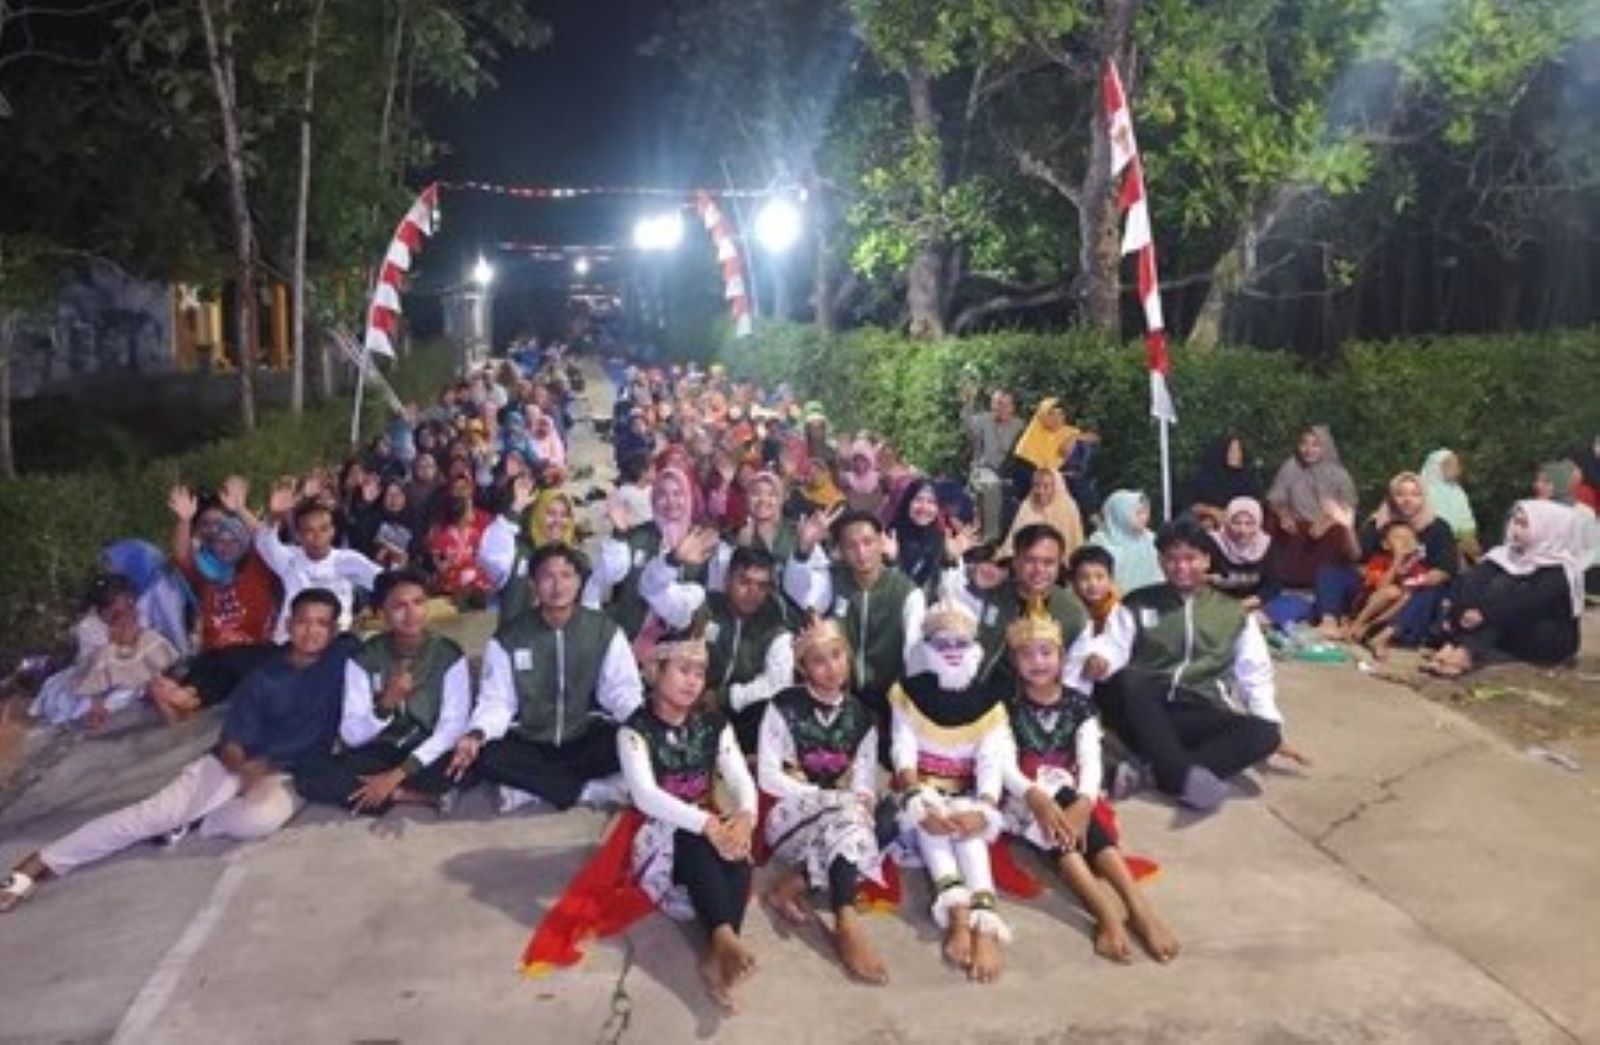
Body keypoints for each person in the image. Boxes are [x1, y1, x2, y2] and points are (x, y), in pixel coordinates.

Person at [1, 590, 356, 913]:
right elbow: (232, 743)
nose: (311, 631)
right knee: (152, 815)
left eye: (321, 623)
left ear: (334, 629)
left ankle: (195, 820)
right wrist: (246, 770)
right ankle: (36, 865)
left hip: (289, 772)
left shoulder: (343, 655)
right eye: (303, 621)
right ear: (289, 625)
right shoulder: (263, 675)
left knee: (258, 820)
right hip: (237, 763)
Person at [998, 603, 1179, 964]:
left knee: (1077, 814)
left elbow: (1090, 760)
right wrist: (1037, 798)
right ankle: (1106, 915)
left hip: (1068, 791)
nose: (1038, 662)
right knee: (1058, 828)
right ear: (1014, 662)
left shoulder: (1079, 706)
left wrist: (1084, 802)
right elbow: (1002, 764)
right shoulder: (1006, 708)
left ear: (1062, 657)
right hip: (1023, 797)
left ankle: (1139, 909)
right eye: (1027, 654)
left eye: (1046, 652)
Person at [1097, 518, 1300, 812]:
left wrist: (1266, 719)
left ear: (1206, 560)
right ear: (1160, 561)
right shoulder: (1137, 603)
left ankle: (1152, 771)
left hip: (1198, 708)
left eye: (1190, 558)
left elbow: (1254, 675)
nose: (1181, 567)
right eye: (1171, 559)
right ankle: (1180, 777)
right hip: (1144, 708)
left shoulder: (1233, 614)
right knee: (1128, 679)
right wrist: (1100, 660)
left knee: (1267, 732)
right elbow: (1112, 648)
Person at [617, 629, 760, 1013]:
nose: (692, 681)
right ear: (655, 671)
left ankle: (722, 945)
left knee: (738, 850)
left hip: (703, 818)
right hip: (655, 830)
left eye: (699, 673)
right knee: (699, 839)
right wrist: (708, 825)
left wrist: (745, 817)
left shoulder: (713, 723)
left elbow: (739, 776)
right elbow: (646, 796)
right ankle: (724, 942)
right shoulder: (634, 730)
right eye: (682, 670)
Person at [448, 544, 643, 812]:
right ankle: (585, 791)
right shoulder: (509, 638)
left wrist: (641, 723)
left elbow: (621, 690)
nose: (558, 586)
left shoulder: (604, 631)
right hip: (529, 741)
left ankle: (534, 791)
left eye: (566, 575)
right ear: (533, 584)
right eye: (547, 576)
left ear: (579, 582)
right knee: (487, 756)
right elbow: (497, 701)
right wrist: (476, 733)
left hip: (583, 737)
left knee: (627, 741)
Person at [757, 618, 891, 984]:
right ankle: (845, 921)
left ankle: (798, 882)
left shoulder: (862, 717)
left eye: (837, 655)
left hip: (839, 821)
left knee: (897, 811)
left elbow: (864, 785)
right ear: (803, 668)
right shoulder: (783, 705)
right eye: (819, 660)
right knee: (852, 815)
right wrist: (830, 797)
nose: (832, 668)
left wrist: (860, 801)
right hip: (788, 817)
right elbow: (768, 776)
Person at [888, 599, 1013, 983]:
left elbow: (991, 761)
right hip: (920, 788)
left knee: (969, 833)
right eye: (943, 643)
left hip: (967, 792)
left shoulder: (990, 702)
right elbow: (902, 748)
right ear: (928, 648)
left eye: (961, 643)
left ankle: (985, 924)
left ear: (975, 648)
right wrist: (914, 796)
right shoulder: (908, 692)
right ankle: (958, 914)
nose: (953, 651)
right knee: (931, 819)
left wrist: (984, 809)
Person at [294, 570, 471, 815]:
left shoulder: (449, 654)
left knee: (467, 763)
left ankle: (385, 792)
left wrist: (397, 774)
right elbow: (351, 735)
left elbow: (452, 727)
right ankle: (412, 796)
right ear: (381, 614)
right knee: (310, 775)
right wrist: (386, 705)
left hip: (427, 750)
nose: (411, 613)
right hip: (381, 749)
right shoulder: (365, 657)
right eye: (399, 606)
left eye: (418, 602)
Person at [639, 543, 796, 753]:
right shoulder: (701, 605)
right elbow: (652, 590)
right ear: (727, 579)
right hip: (685, 707)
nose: (752, 592)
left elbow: (778, 684)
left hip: (737, 716)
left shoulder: (775, 626)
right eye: (744, 581)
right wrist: (672, 561)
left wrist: (725, 697)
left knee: (770, 712)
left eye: (761, 586)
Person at [784, 508, 926, 731]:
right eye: (851, 546)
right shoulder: (832, 578)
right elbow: (798, 590)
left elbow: (914, 650)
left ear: (881, 543)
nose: (861, 552)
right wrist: (804, 549)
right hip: (839, 693)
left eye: (868, 542)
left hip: (890, 698)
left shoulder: (907, 593)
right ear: (840, 551)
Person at [1426, 501, 1587, 677]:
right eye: (1515, 522)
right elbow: (1471, 583)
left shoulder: (1561, 570)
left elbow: (1526, 603)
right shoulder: (1505, 555)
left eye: (1524, 525)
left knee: (1503, 590)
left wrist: (1483, 614)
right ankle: (1456, 646)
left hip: (1547, 640)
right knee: (1482, 586)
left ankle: (1464, 652)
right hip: (1508, 629)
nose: (1515, 529)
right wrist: (1464, 609)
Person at [1312, 472, 1459, 648]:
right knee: (1330, 571)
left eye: (1415, 494)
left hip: (1413, 587)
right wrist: (1348, 529)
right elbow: (1358, 557)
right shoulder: (1378, 522)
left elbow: (1445, 569)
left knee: (1428, 592)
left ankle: (1385, 633)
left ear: (1423, 498)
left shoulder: (1438, 527)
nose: (1407, 500)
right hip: (1375, 581)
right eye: (1400, 494)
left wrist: (1415, 580)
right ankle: (1329, 622)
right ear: (1391, 497)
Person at [944, 523, 1095, 689]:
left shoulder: (1075, 614)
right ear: (1015, 561)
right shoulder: (992, 592)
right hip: (981, 690)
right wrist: (961, 564)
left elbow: (1075, 679)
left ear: (1060, 565)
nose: (1039, 570)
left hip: (1042, 698)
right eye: (1030, 560)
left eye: (1048, 563)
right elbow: (949, 591)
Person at [31, 573, 179, 728]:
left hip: (134, 670)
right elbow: (94, 668)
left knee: (149, 641)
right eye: (115, 612)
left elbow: (144, 648)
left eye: (128, 605)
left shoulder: (136, 615)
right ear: (101, 611)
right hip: (97, 680)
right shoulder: (90, 627)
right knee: (107, 654)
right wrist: (96, 702)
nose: (125, 613)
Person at [586, 466, 705, 641]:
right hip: (632, 636)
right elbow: (606, 577)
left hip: (681, 642)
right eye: (662, 494)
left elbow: (702, 599)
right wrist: (619, 535)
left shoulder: (699, 540)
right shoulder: (638, 536)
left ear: (688, 497)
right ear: (653, 499)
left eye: (677, 494)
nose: (671, 501)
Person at [256, 485, 381, 639]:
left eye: (323, 529)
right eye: (309, 531)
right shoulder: (288, 558)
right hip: (290, 642)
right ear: (299, 535)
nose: (317, 536)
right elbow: (264, 541)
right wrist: (274, 516)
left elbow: (385, 582)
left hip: (334, 644)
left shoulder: (350, 560)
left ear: (332, 531)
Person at [1265, 425, 1359, 587]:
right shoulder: (1290, 467)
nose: (1308, 449)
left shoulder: (1339, 474)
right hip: (1296, 530)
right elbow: (1275, 498)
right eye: (1304, 443)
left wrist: (1328, 521)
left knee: (1339, 533)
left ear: (1325, 447)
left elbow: (1349, 509)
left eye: (1315, 445)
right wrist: (1284, 515)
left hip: (1326, 532)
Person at [962, 387, 1025, 542]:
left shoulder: (1020, 425)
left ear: (1013, 407)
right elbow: (967, 422)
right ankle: (990, 538)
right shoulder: (981, 420)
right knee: (991, 485)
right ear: (991, 404)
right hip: (981, 472)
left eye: (1006, 404)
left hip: (1008, 473)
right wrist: (968, 402)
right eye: (997, 403)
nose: (1001, 408)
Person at [1204, 497, 1278, 609]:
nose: (1243, 530)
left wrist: (1246, 604)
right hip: (1217, 604)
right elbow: (1200, 579)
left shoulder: (1266, 544)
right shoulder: (1213, 542)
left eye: (1249, 523)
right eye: (1236, 523)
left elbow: (1273, 585)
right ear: (1227, 522)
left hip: (1254, 604)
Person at [998, 467, 1083, 561]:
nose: (1040, 491)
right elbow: (1013, 541)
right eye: (1036, 486)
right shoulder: (1027, 506)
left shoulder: (1068, 508)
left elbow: (1075, 545)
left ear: (1056, 487)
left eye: (1046, 486)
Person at [1182, 433, 1263, 529]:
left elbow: (1254, 505)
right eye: (1231, 451)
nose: (1235, 455)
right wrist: (1213, 512)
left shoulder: (1250, 477)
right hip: (1208, 520)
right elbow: (1192, 505)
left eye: (1238, 451)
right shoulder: (1206, 476)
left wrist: (1230, 516)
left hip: (1240, 524)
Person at [1089, 490, 1163, 595]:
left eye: (1146, 512)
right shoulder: (1100, 542)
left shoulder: (1151, 539)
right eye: (1138, 513)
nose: (1144, 517)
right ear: (1121, 513)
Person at [889, 478, 950, 593]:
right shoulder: (889, 537)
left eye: (931, 502)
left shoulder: (939, 539)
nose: (924, 507)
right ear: (907, 502)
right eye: (918, 499)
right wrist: (891, 561)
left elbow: (938, 588)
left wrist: (950, 559)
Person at [1420, 449, 1480, 561]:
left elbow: (1466, 520)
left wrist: (1468, 539)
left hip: (1460, 545)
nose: (1455, 468)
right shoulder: (1421, 491)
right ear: (1436, 467)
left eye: (1456, 464)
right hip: (1430, 544)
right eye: (1449, 464)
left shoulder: (1458, 491)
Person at [1069, 545, 1122, 635]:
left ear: (1110, 579)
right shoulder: (1068, 610)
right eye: (1085, 578)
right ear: (1073, 581)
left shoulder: (1120, 613)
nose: (1093, 584)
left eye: (1100, 577)